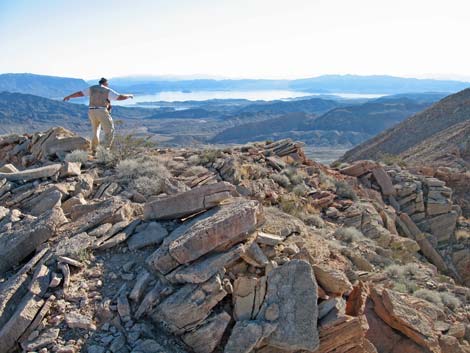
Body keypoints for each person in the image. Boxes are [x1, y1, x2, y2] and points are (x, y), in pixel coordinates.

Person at [63, 78, 133, 152]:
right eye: (107, 84)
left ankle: (94, 149)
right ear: (105, 83)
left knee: (95, 131)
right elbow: (119, 97)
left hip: (92, 111)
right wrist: (129, 96)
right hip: (101, 111)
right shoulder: (106, 90)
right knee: (109, 131)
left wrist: (69, 96)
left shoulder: (92, 88)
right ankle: (104, 151)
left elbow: (80, 93)